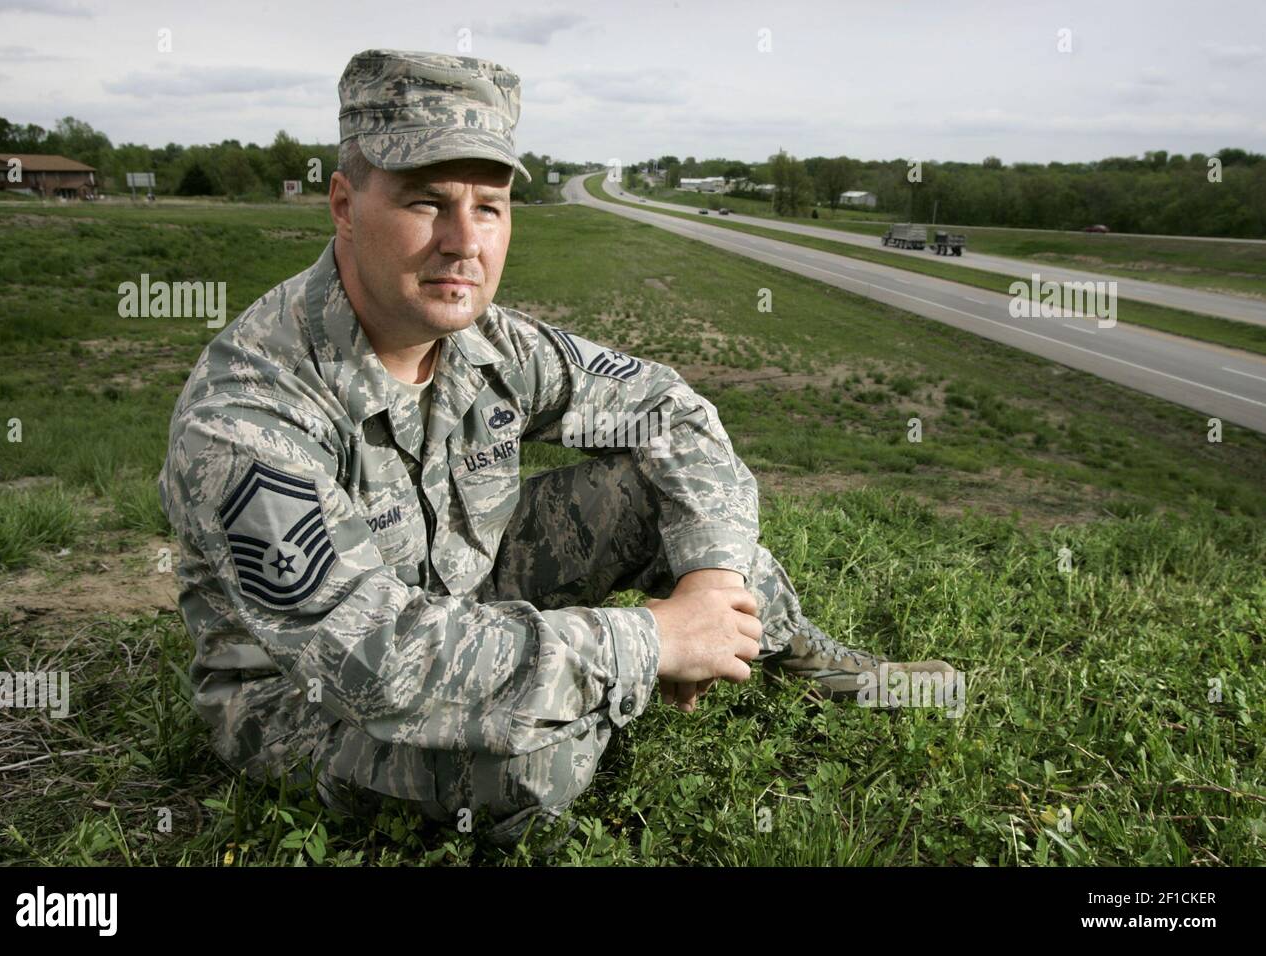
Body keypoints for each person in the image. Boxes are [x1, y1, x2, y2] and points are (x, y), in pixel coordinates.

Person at [158, 49, 955, 847]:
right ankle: (590, 695)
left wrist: (709, 587)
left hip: (466, 593)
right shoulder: (246, 416)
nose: (463, 242)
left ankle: (831, 674)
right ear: (343, 203)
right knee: (534, 762)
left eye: (491, 207)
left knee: (667, 506)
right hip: (301, 699)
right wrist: (653, 644)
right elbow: (375, 662)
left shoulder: (491, 345)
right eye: (427, 203)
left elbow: (670, 412)